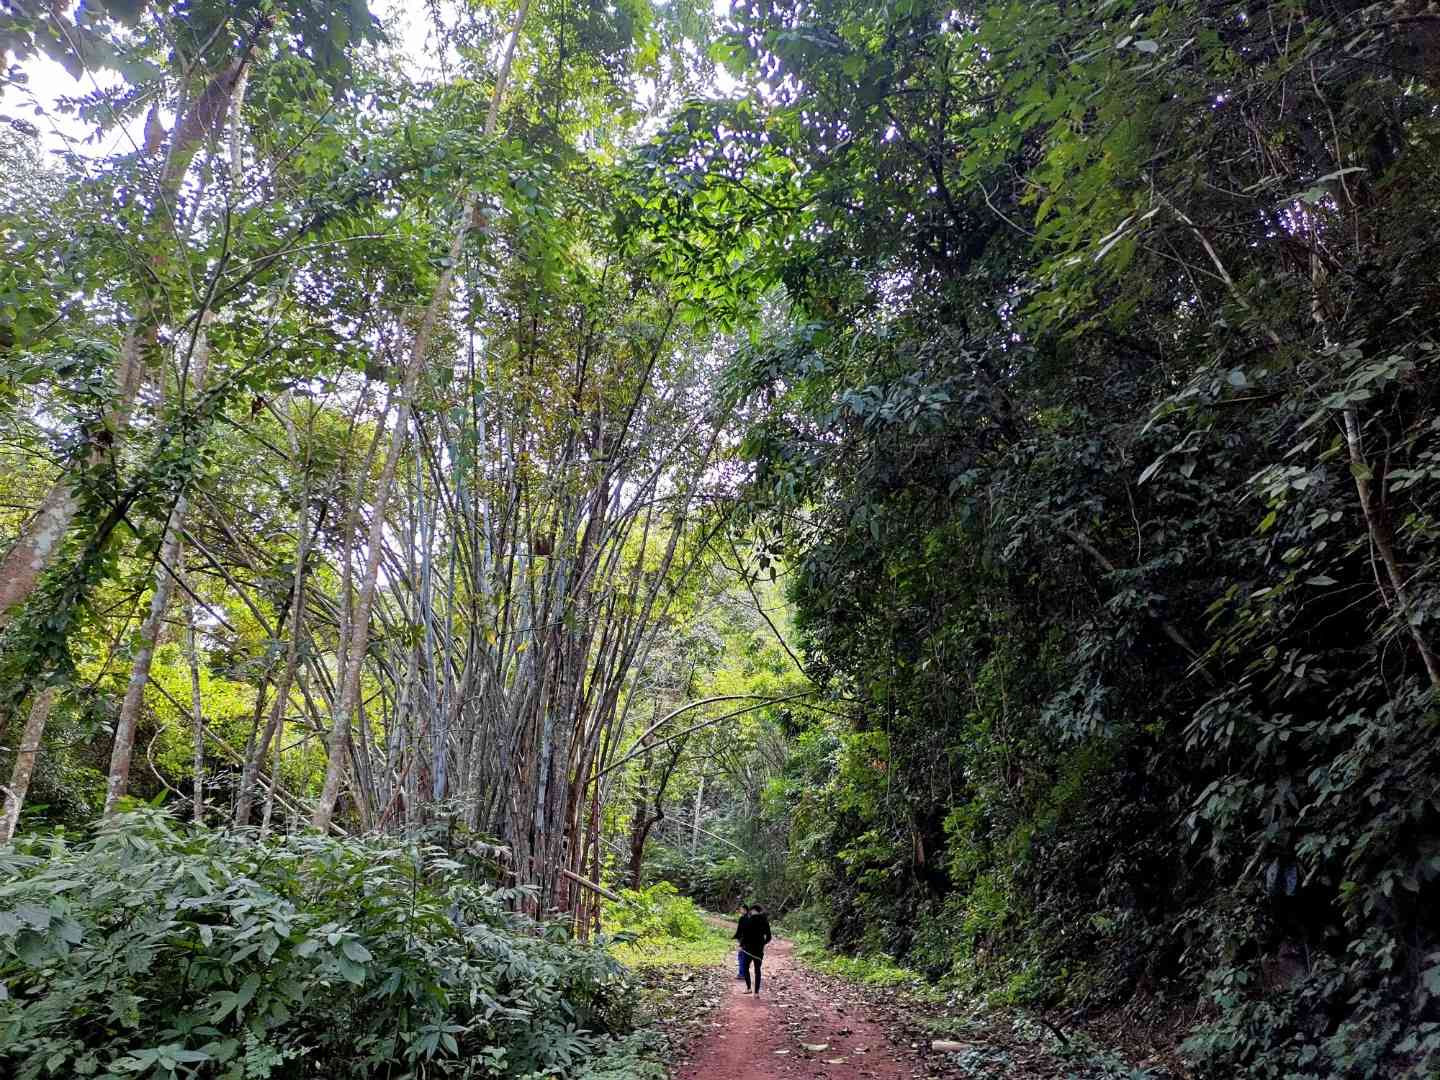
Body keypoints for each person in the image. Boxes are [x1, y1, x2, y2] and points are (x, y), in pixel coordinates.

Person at [737, 902, 772, 996]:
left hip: (747, 949)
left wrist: (741, 945)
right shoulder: (765, 921)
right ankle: (756, 993)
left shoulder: (749, 919)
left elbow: (744, 934)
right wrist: (762, 944)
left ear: (753, 910)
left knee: (745, 968)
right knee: (757, 970)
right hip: (759, 951)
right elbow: (769, 937)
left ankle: (748, 988)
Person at [733, 904, 751, 980]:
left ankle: (742, 974)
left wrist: (741, 944)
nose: (740, 910)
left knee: (741, 957)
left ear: (745, 910)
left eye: (741, 909)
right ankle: (743, 973)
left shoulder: (744, 918)